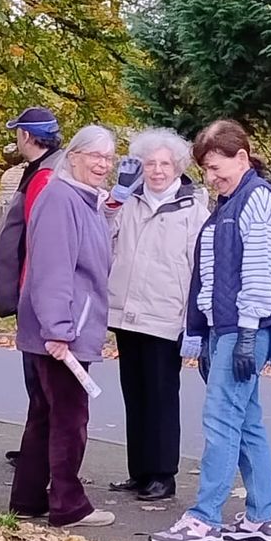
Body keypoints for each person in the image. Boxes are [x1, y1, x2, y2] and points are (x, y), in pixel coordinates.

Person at [152, 119, 271, 541]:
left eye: (217, 168)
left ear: (242, 157)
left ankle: (204, 519)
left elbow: (260, 272)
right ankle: (263, 515)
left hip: (242, 328)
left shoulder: (257, 201)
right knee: (247, 423)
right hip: (228, 327)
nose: (212, 178)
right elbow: (214, 274)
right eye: (207, 170)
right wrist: (203, 328)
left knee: (220, 421)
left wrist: (248, 335)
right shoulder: (230, 201)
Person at [10, 125, 117, 529]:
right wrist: (58, 329)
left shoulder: (80, 199)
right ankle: (68, 504)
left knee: (45, 413)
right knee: (70, 418)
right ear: (73, 157)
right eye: (95, 156)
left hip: (67, 326)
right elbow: (53, 270)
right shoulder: (61, 199)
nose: (103, 165)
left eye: (108, 158)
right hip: (64, 331)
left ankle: (28, 499)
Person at [105, 129, 209, 501]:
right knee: (134, 392)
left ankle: (163, 474)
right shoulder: (128, 202)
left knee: (162, 395)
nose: (158, 170)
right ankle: (140, 470)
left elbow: (200, 267)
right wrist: (115, 199)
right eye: (150, 163)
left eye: (165, 164)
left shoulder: (193, 209)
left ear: (178, 167)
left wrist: (194, 322)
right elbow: (103, 235)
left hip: (166, 316)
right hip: (126, 313)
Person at [0, 107, 63, 466]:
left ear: (25, 135)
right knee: (39, 380)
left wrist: (27, 291)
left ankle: (42, 455)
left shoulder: (46, 175)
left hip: (36, 292)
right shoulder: (44, 169)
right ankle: (38, 450)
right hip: (35, 290)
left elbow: (39, 240)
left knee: (41, 380)